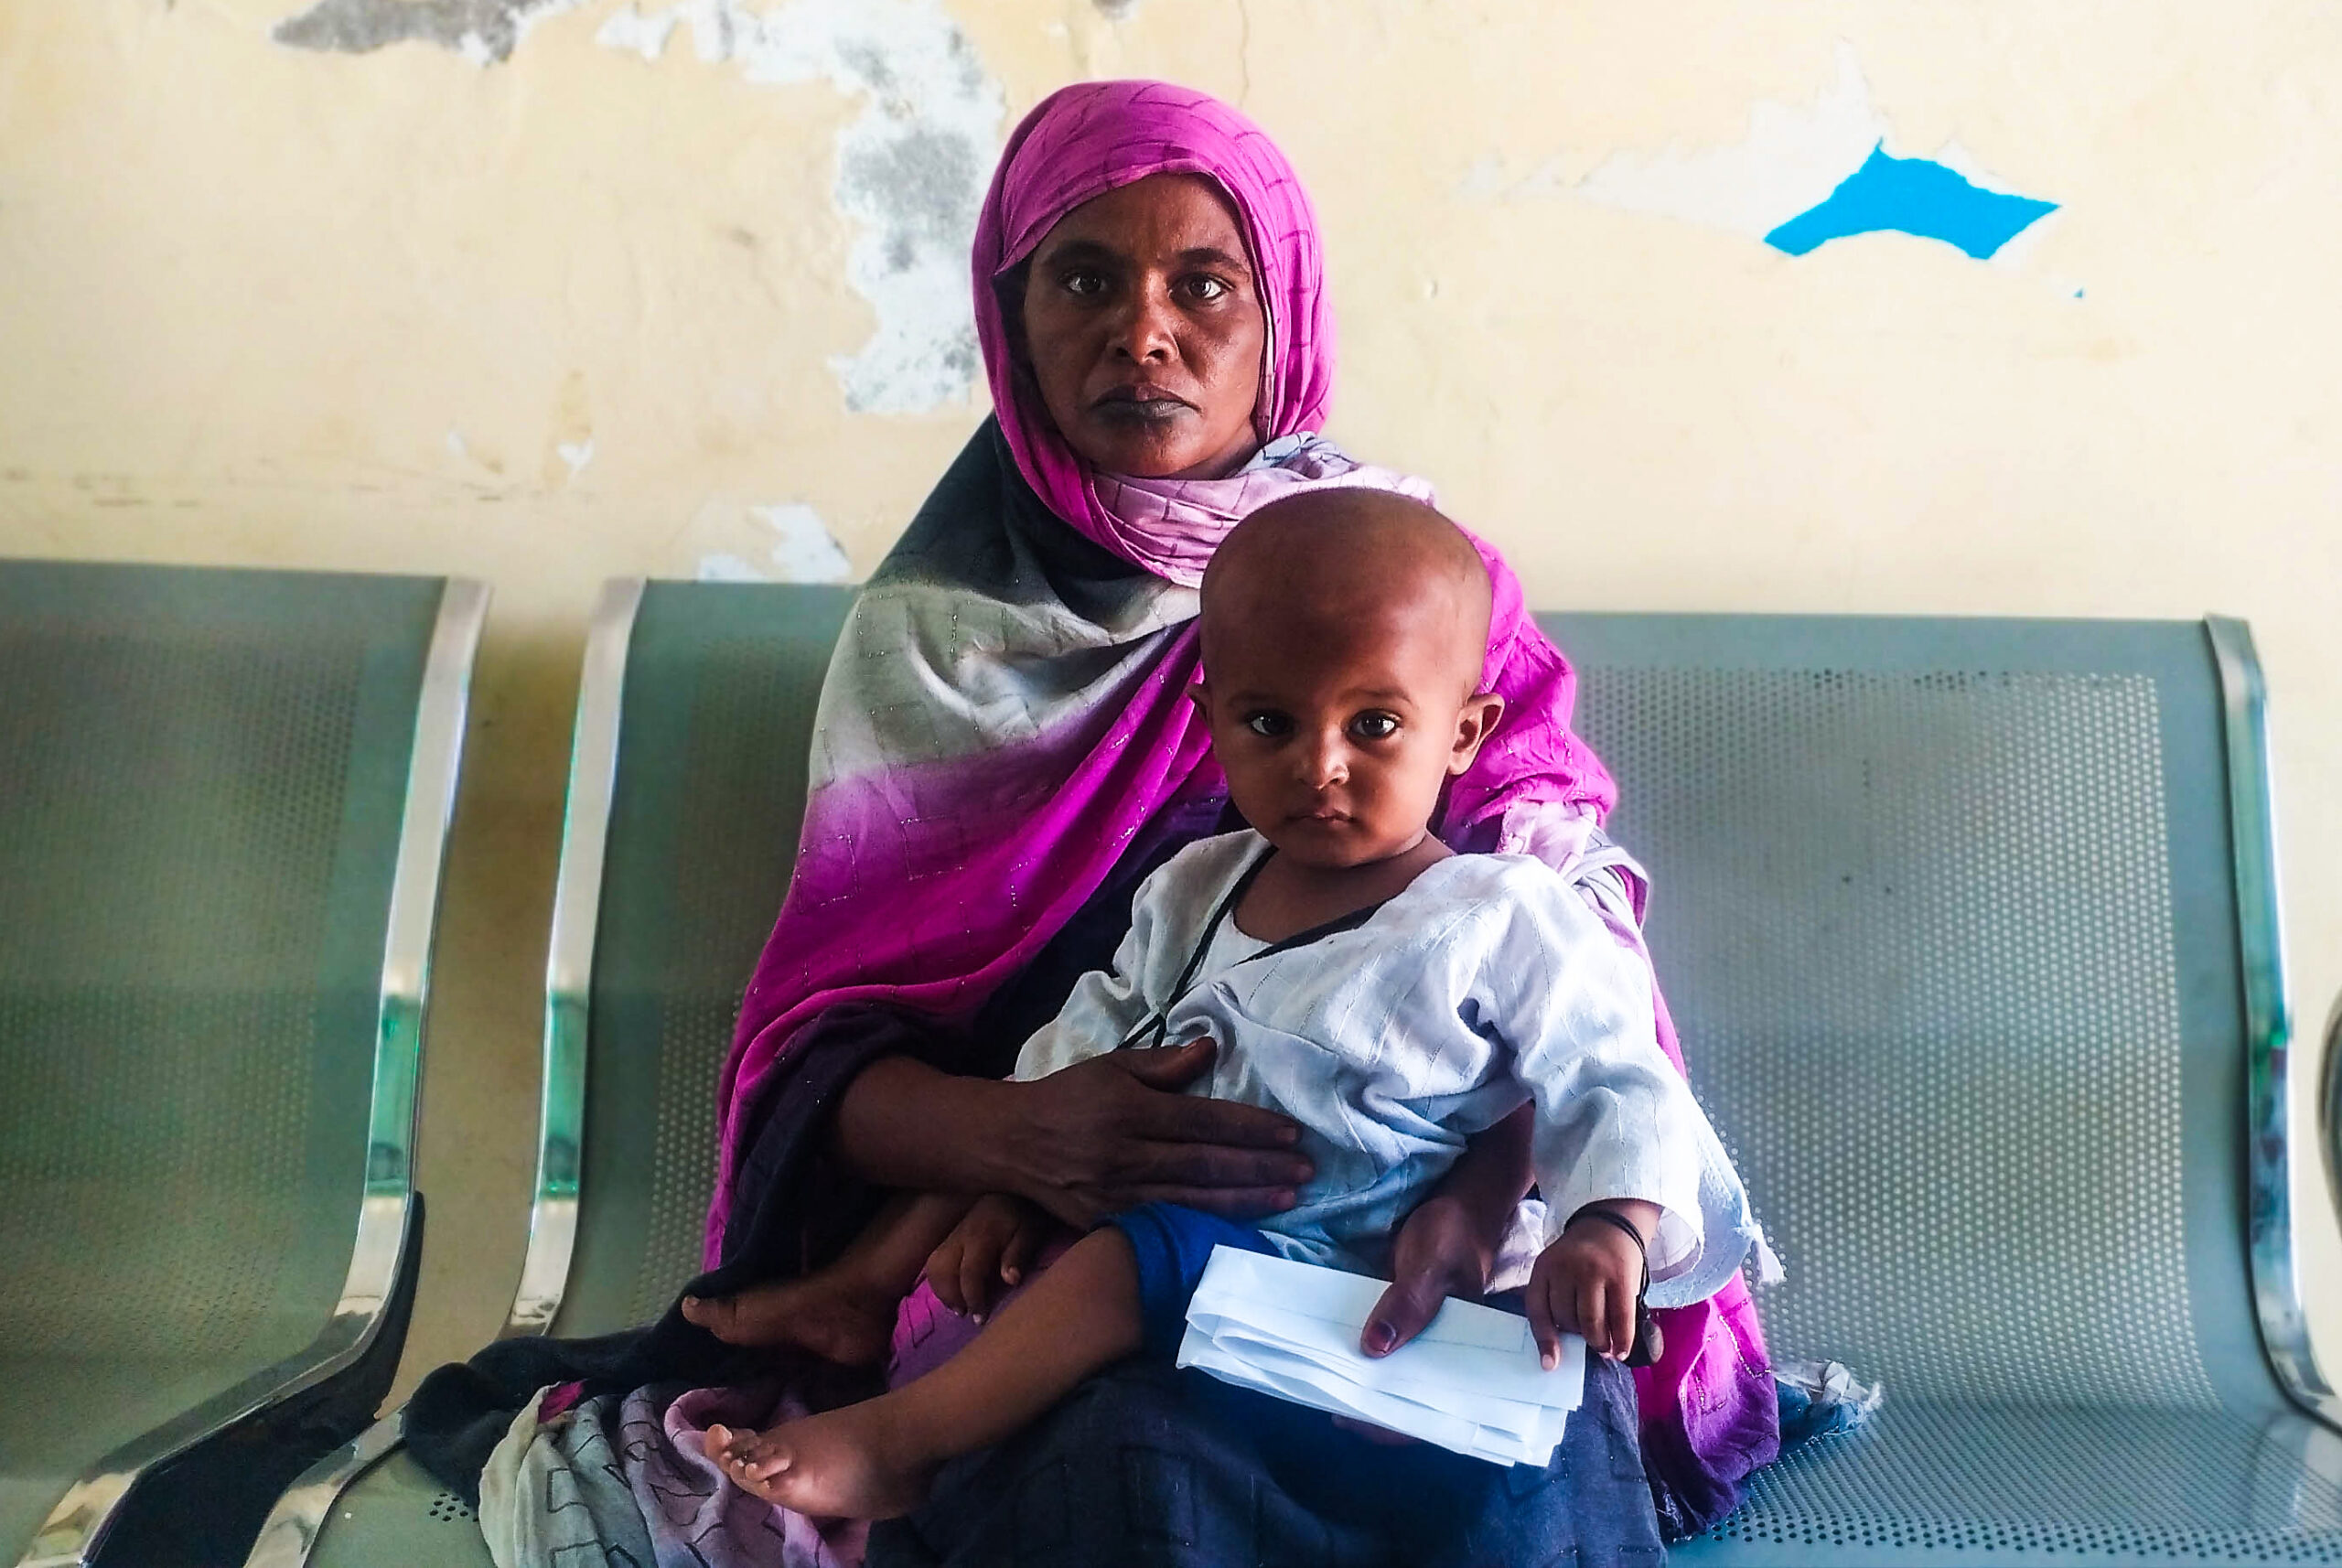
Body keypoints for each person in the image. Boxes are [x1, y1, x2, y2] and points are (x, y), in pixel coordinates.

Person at [408, 80, 1779, 1566]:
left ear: (1284, 317)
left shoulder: (1419, 590)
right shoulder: (940, 637)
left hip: (1434, 1248)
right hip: (1090, 1259)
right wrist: (1028, 1141)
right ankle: (893, 1344)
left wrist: (1498, 1182)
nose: (1145, 329)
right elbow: (832, 1054)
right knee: (1127, 1467)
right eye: (1083, 276)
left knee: (1495, 1489)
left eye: (1206, 283)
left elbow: (1575, 963)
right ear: (1009, 316)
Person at [702, 492, 1764, 1542]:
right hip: (1220, 1273)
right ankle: (904, 1344)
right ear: (1214, 724)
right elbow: (1099, 1028)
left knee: (1128, 1268)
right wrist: (1014, 1179)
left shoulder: (1502, 913)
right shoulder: (1194, 885)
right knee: (1084, 1274)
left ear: (1464, 732)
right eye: (1271, 722)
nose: (1320, 765)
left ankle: (903, 1444)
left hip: (1387, 1277)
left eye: (1376, 723)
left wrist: (1607, 1226)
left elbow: (1617, 1075)